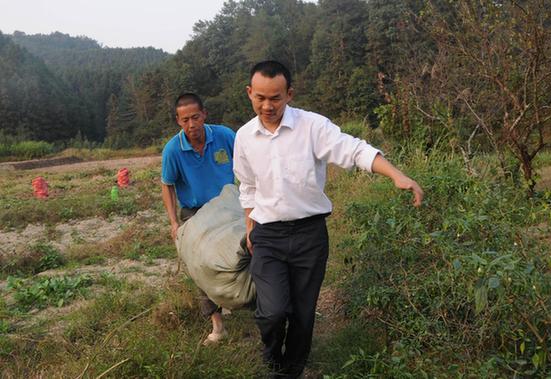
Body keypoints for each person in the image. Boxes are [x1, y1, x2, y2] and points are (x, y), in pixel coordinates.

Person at [233, 61, 424, 378]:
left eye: (276, 98)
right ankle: (271, 356)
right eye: (261, 98)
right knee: (273, 311)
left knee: (303, 313)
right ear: (249, 93)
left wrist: (396, 175)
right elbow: (248, 186)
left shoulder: (313, 127)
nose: (268, 105)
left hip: (310, 235)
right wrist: (249, 223)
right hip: (268, 235)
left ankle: (290, 371)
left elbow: (353, 150)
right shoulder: (243, 137)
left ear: (289, 94)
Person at [161, 92, 235, 345]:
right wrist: (173, 222)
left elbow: (248, 162)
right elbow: (167, 185)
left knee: (243, 253)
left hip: (228, 206)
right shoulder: (173, 150)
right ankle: (218, 326)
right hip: (195, 212)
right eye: (185, 120)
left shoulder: (224, 135)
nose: (191, 125)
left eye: (195, 117)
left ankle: (241, 299)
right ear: (178, 121)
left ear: (204, 114)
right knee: (200, 267)